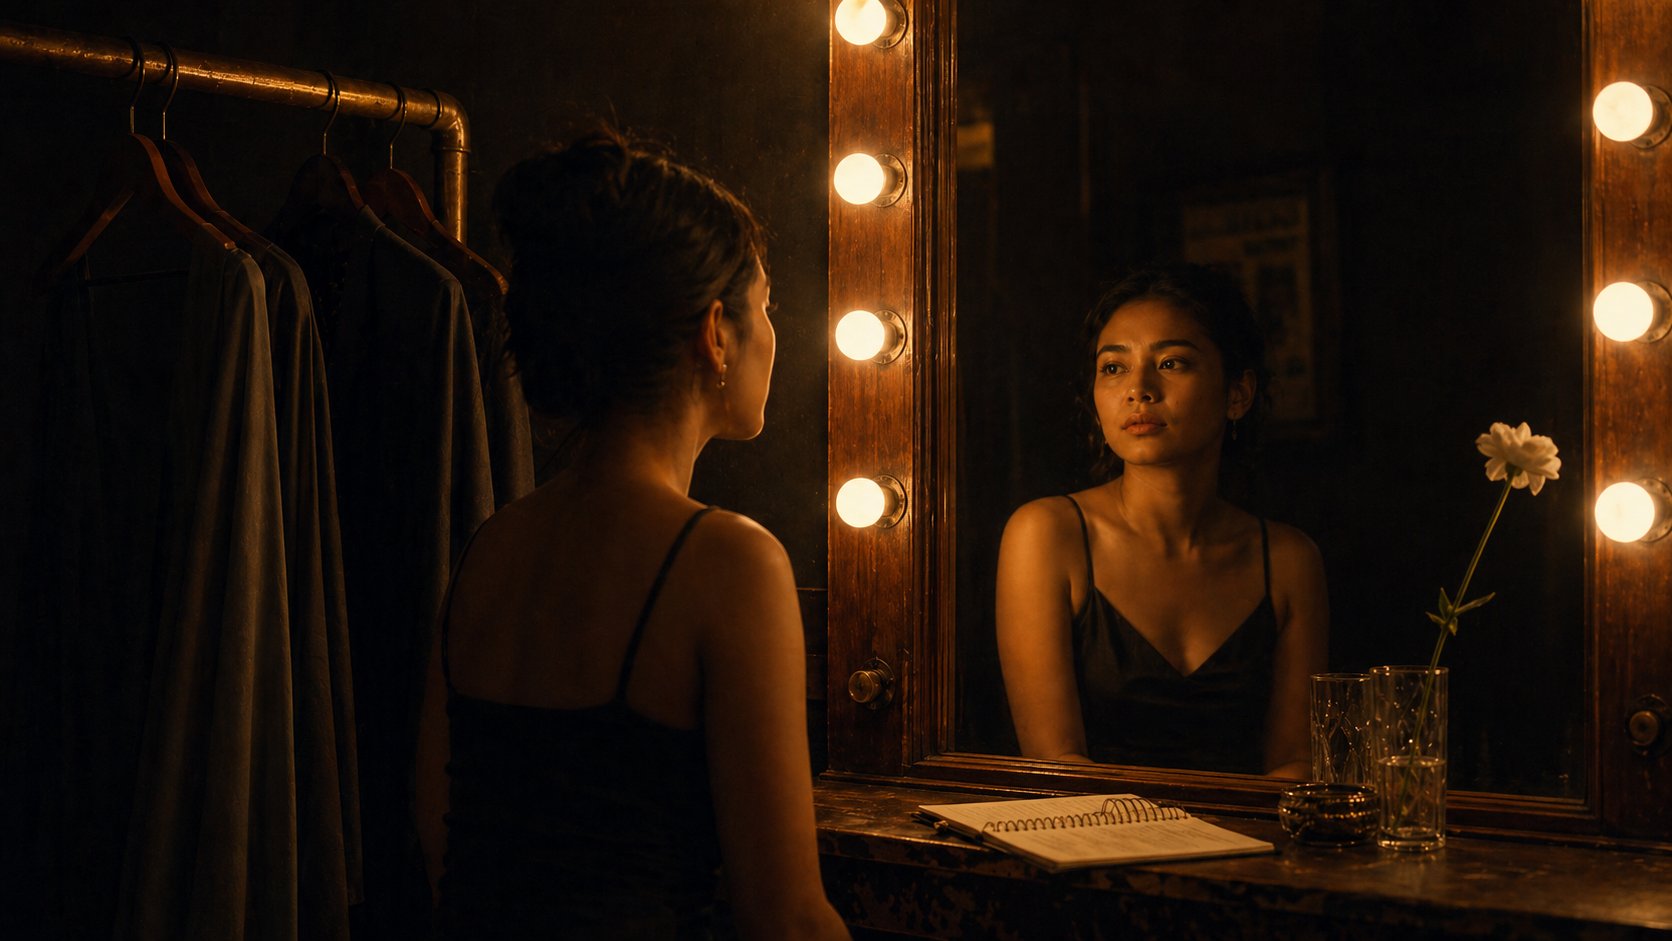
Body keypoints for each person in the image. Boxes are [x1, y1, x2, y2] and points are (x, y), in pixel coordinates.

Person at [415, 129, 850, 940]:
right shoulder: (729, 561)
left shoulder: (490, 549)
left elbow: (442, 844)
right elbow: (786, 917)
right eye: (769, 307)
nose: (775, 333)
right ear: (716, 333)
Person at [995, 263, 1327, 777]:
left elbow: (1295, 767)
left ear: (1237, 394)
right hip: (1089, 844)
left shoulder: (1286, 560)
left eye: (1172, 363)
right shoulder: (1047, 535)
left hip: (1252, 849)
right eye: (1113, 367)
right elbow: (1055, 765)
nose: (1139, 389)